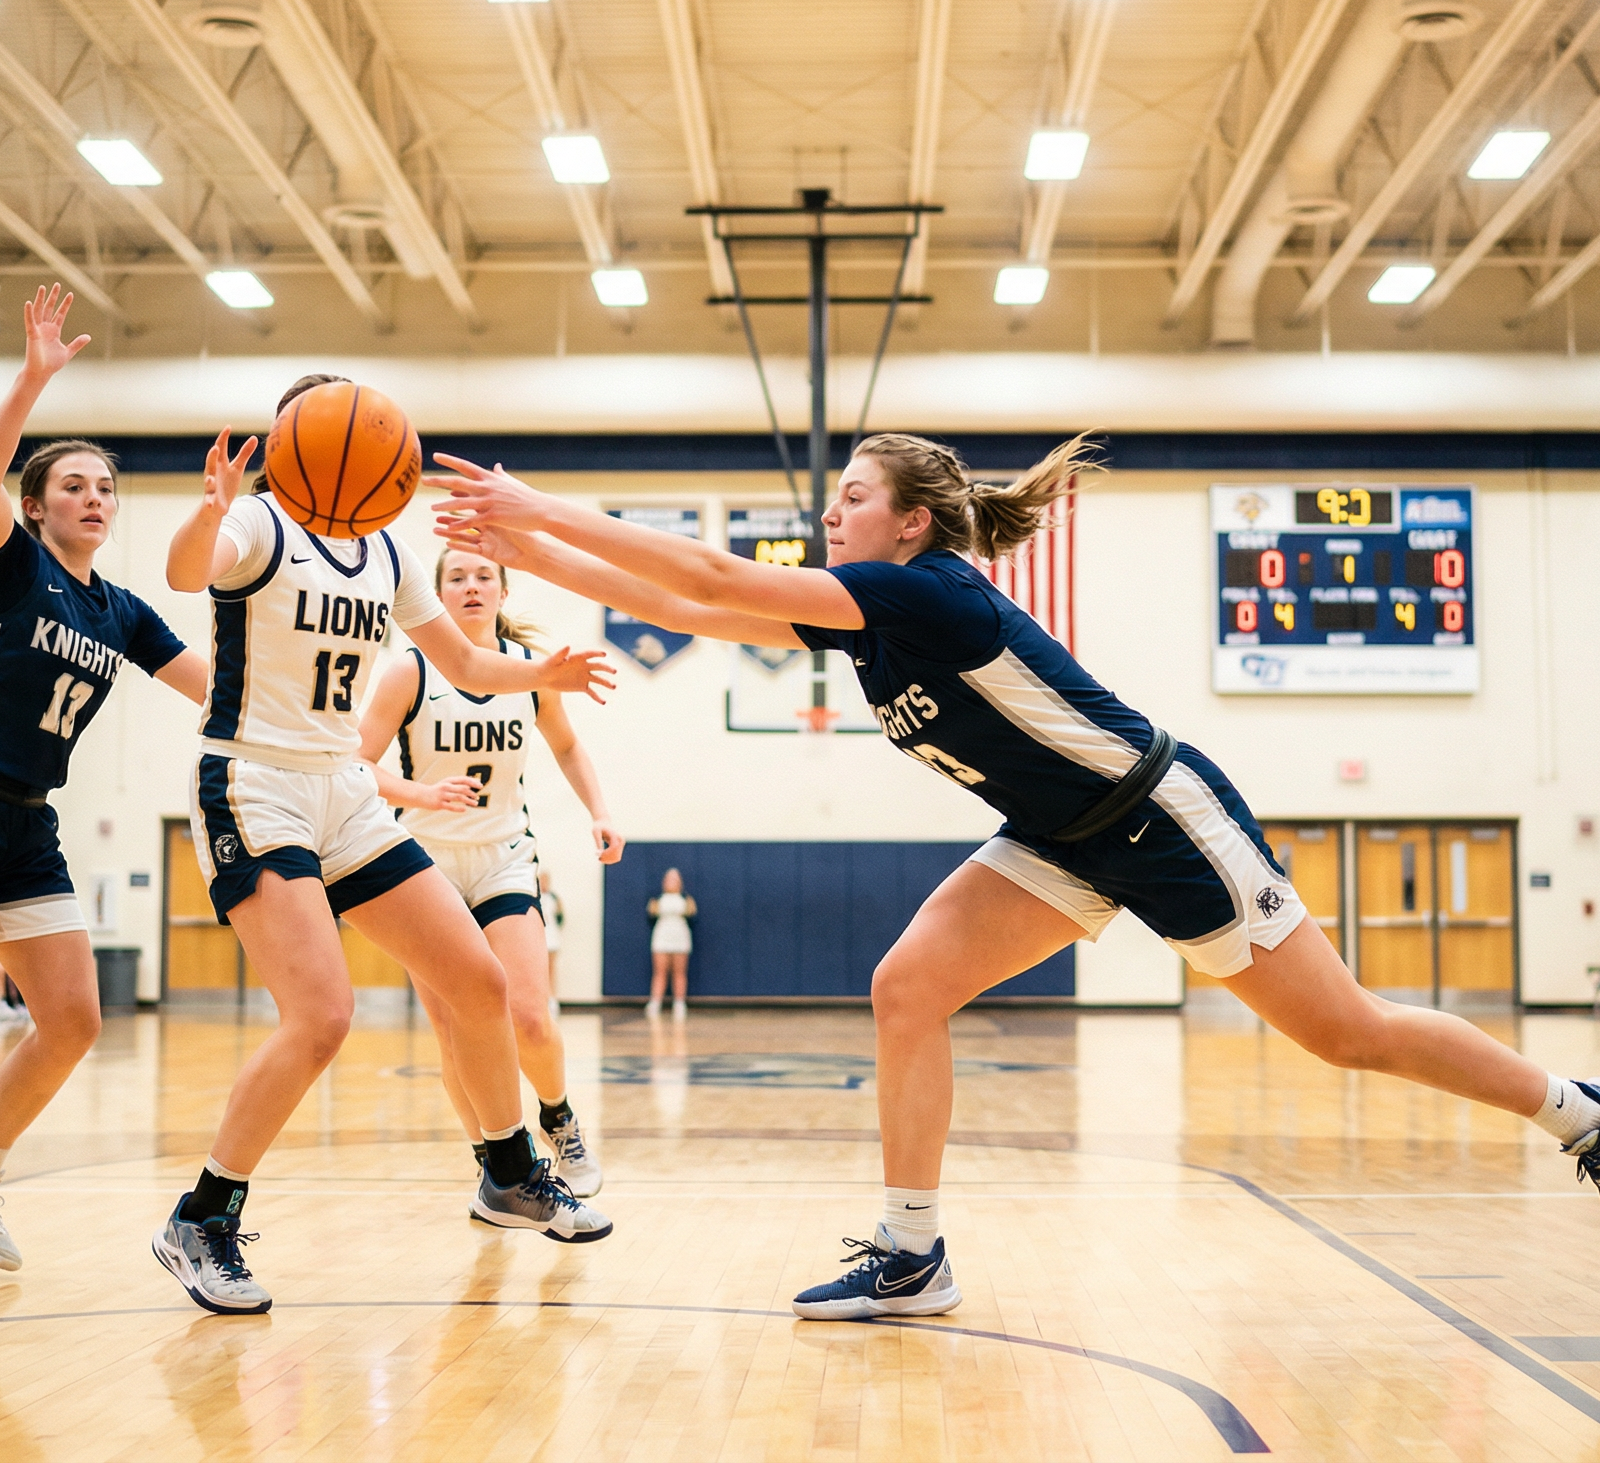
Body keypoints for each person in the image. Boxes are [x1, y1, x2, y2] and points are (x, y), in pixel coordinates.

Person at [430, 435, 1600, 1322]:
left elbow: (710, 574)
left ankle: (1576, 1111)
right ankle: (912, 1251)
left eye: (850, 495)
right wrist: (520, 549)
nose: (829, 509)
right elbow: (685, 606)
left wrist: (535, 505)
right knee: (907, 988)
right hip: (1053, 836)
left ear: (912, 525)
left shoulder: (926, 592)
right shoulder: (870, 614)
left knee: (1346, 1033)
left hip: (1157, 819)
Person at [152, 385, 617, 1318]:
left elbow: (472, 667)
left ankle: (509, 1171)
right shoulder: (253, 525)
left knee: (479, 985)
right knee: (322, 1017)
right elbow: (182, 575)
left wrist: (545, 672)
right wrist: (205, 515)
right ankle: (203, 1217)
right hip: (255, 784)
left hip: (346, 794)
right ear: (294, 447)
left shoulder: (391, 554)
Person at [0, 286, 210, 1273]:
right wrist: (33, 380)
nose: (94, 497)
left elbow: (220, 694)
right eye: (73, 485)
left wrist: (345, 745)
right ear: (35, 505)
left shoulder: (120, 610)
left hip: (26, 826)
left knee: (74, 1019)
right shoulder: (12, 564)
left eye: (105, 487)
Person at [358, 546, 623, 1197]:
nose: (471, 586)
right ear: (437, 595)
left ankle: (558, 1119)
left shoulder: (529, 673)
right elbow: (357, 765)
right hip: (424, 865)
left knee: (529, 1016)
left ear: (503, 592)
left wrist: (600, 810)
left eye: (484, 577)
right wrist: (420, 794)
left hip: (504, 856)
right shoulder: (409, 672)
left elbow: (565, 743)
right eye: (457, 577)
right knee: (453, 1034)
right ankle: (496, 1168)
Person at [645, 868, 695, 1019]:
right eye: (669, 879)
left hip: (680, 936)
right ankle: (655, 1002)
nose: (671, 882)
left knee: (679, 972)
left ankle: (679, 1003)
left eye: (675, 879)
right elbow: (651, 915)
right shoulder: (657, 899)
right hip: (662, 936)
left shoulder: (686, 899)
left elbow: (692, 915)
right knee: (660, 972)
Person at [540, 869, 563, 1010]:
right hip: (538, 939)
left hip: (552, 938)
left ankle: (552, 999)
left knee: (551, 969)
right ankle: (542, 998)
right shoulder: (534, 897)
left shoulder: (554, 898)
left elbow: (561, 919)